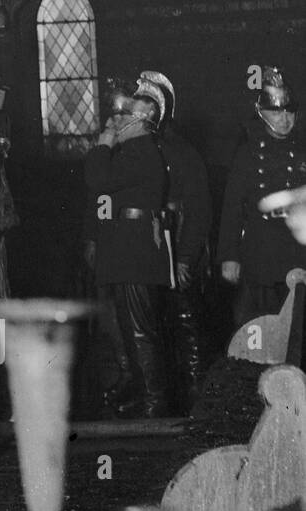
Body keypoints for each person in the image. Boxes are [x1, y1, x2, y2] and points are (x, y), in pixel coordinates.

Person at [84, 74, 173, 417]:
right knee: (130, 329)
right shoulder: (133, 152)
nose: (116, 120)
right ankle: (144, 395)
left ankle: (156, 404)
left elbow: (97, 179)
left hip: (136, 254)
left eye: (123, 116)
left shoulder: (142, 152)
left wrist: (104, 141)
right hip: (126, 252)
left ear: (144, 117)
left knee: (139, 332)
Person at [137, 71, 211, 412]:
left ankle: (196, 397)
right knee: (155, 328)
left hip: (179, 252)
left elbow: (198, 212)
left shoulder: (184, 154)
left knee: (187, 325)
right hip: (149, 258)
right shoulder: (136, 150)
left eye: (149, 107)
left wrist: (184, 259)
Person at [217, 67, 306, 327]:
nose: (284, 118)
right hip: (260, 256)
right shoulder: (248, 154)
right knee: (255, 329)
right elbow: (232, 206)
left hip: (297, 254)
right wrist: (229, 256)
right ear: (261, 113)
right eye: (276, 112)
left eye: (289, 111)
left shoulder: (302, 151)